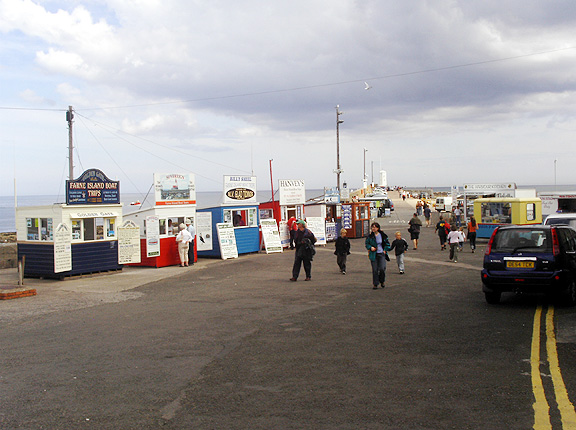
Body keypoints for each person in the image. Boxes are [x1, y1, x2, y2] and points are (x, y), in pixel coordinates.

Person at [365, 222, 391, 290]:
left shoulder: (382, 235)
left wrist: (385, 250)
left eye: (375, 227)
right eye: (372, 227)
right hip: (373, 254)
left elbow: (387, 244)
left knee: (382, 268)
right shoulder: (370, 236)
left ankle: (382, 281)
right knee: (375, 269)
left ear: (378, 228)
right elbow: (367, 244)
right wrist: (371, 248)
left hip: (381, 253)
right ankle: (375, 283)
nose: (373, 228)